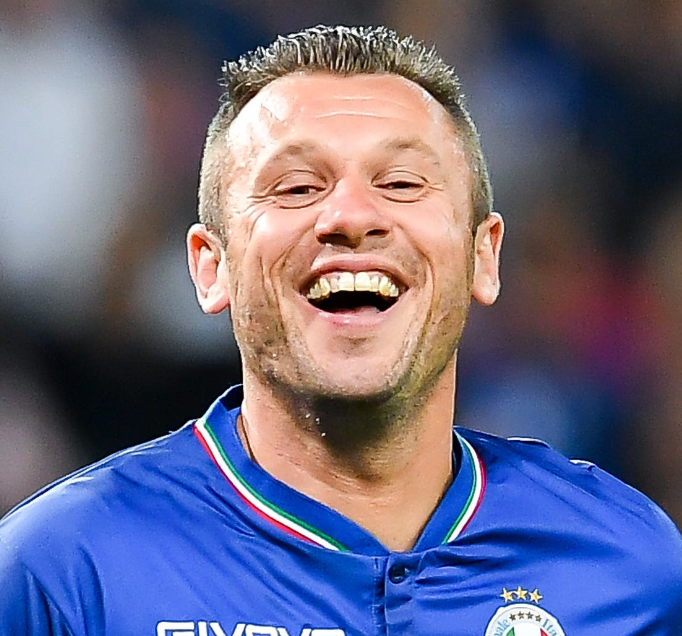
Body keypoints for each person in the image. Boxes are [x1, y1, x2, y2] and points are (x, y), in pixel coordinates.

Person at [1, 25, 681, 636]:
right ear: (212, 267)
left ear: (483, 256)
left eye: (402, 183)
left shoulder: (628, 564)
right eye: (298, 187)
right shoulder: (64, 573)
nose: (352, 216)